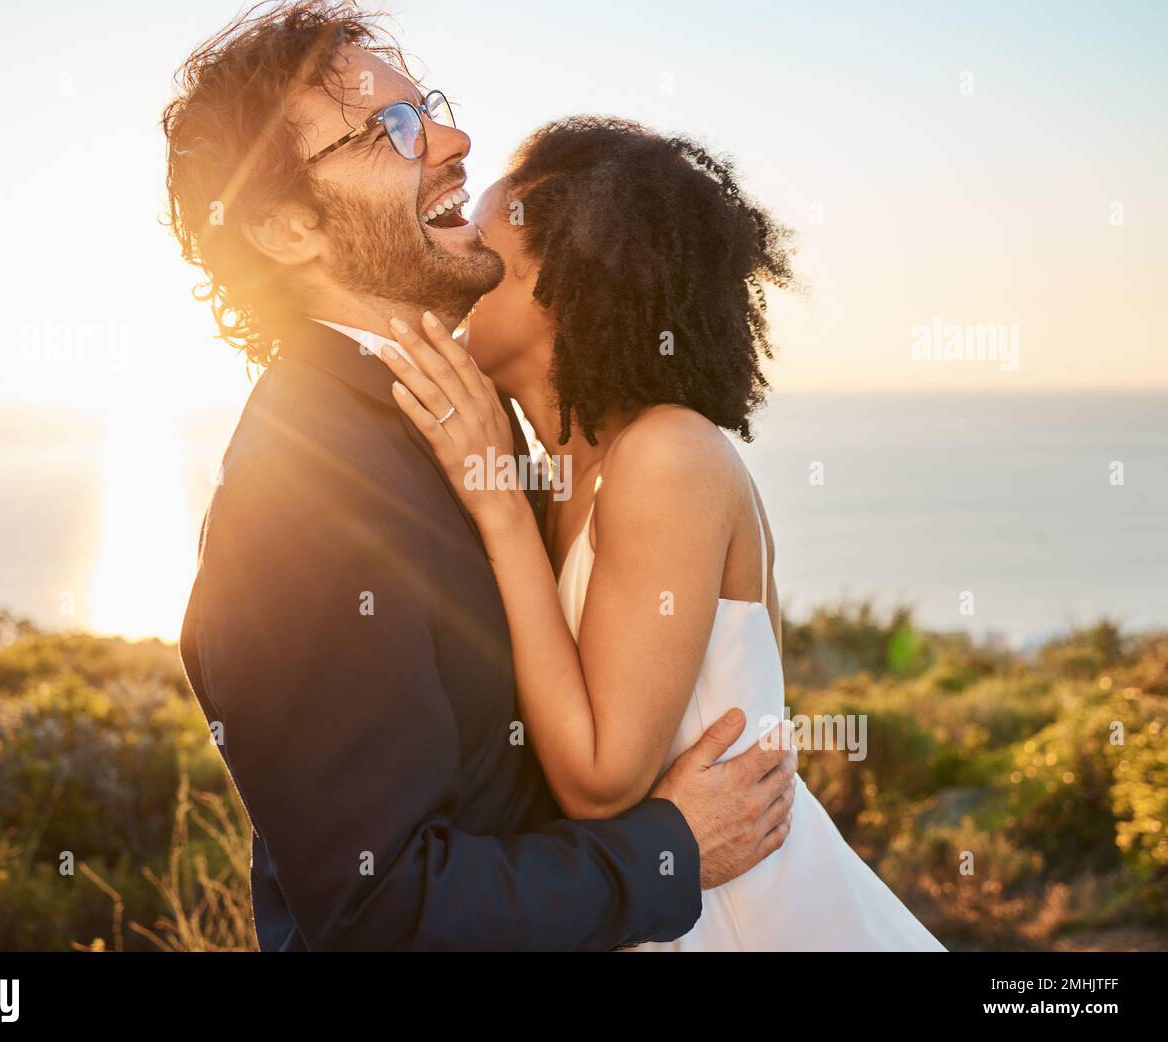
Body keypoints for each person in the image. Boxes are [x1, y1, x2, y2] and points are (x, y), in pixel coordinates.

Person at [164, 1, 795, 951]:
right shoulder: (302, 497)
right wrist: (666, 854)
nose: (454, 140)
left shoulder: (468, 412)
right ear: (288, 229)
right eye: (395, 129)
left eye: (434, 109)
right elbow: (382, 909)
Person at [379, 118, 945, 950]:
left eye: (487, 245)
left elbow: (604, 784)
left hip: (744, 920)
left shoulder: (668, 454)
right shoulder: (557, 473)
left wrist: (494, 505)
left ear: (564, 287)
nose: (460, 260)